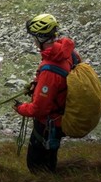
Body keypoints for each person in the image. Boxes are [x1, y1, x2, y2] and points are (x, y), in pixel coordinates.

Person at [14, 13, 79, 173]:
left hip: (49, 123)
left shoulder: (50, 70)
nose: (34, 41)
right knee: (50, 157)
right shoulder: (68, 53)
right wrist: (37, 85)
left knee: (36, 164)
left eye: (34, 37)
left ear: (41, 38)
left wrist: (21, 108)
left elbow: (39, 109)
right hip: (61, 115)